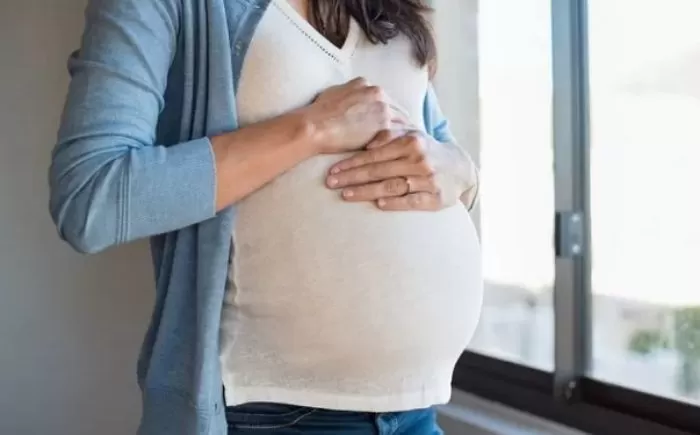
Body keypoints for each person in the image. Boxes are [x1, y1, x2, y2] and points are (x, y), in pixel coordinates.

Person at [49, 0, 482, 433]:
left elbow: (439, 154)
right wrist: (310, 129)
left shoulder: (386, 6)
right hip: (275, 414)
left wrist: (460, 170)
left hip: (415, 409)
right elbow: (91, 198)